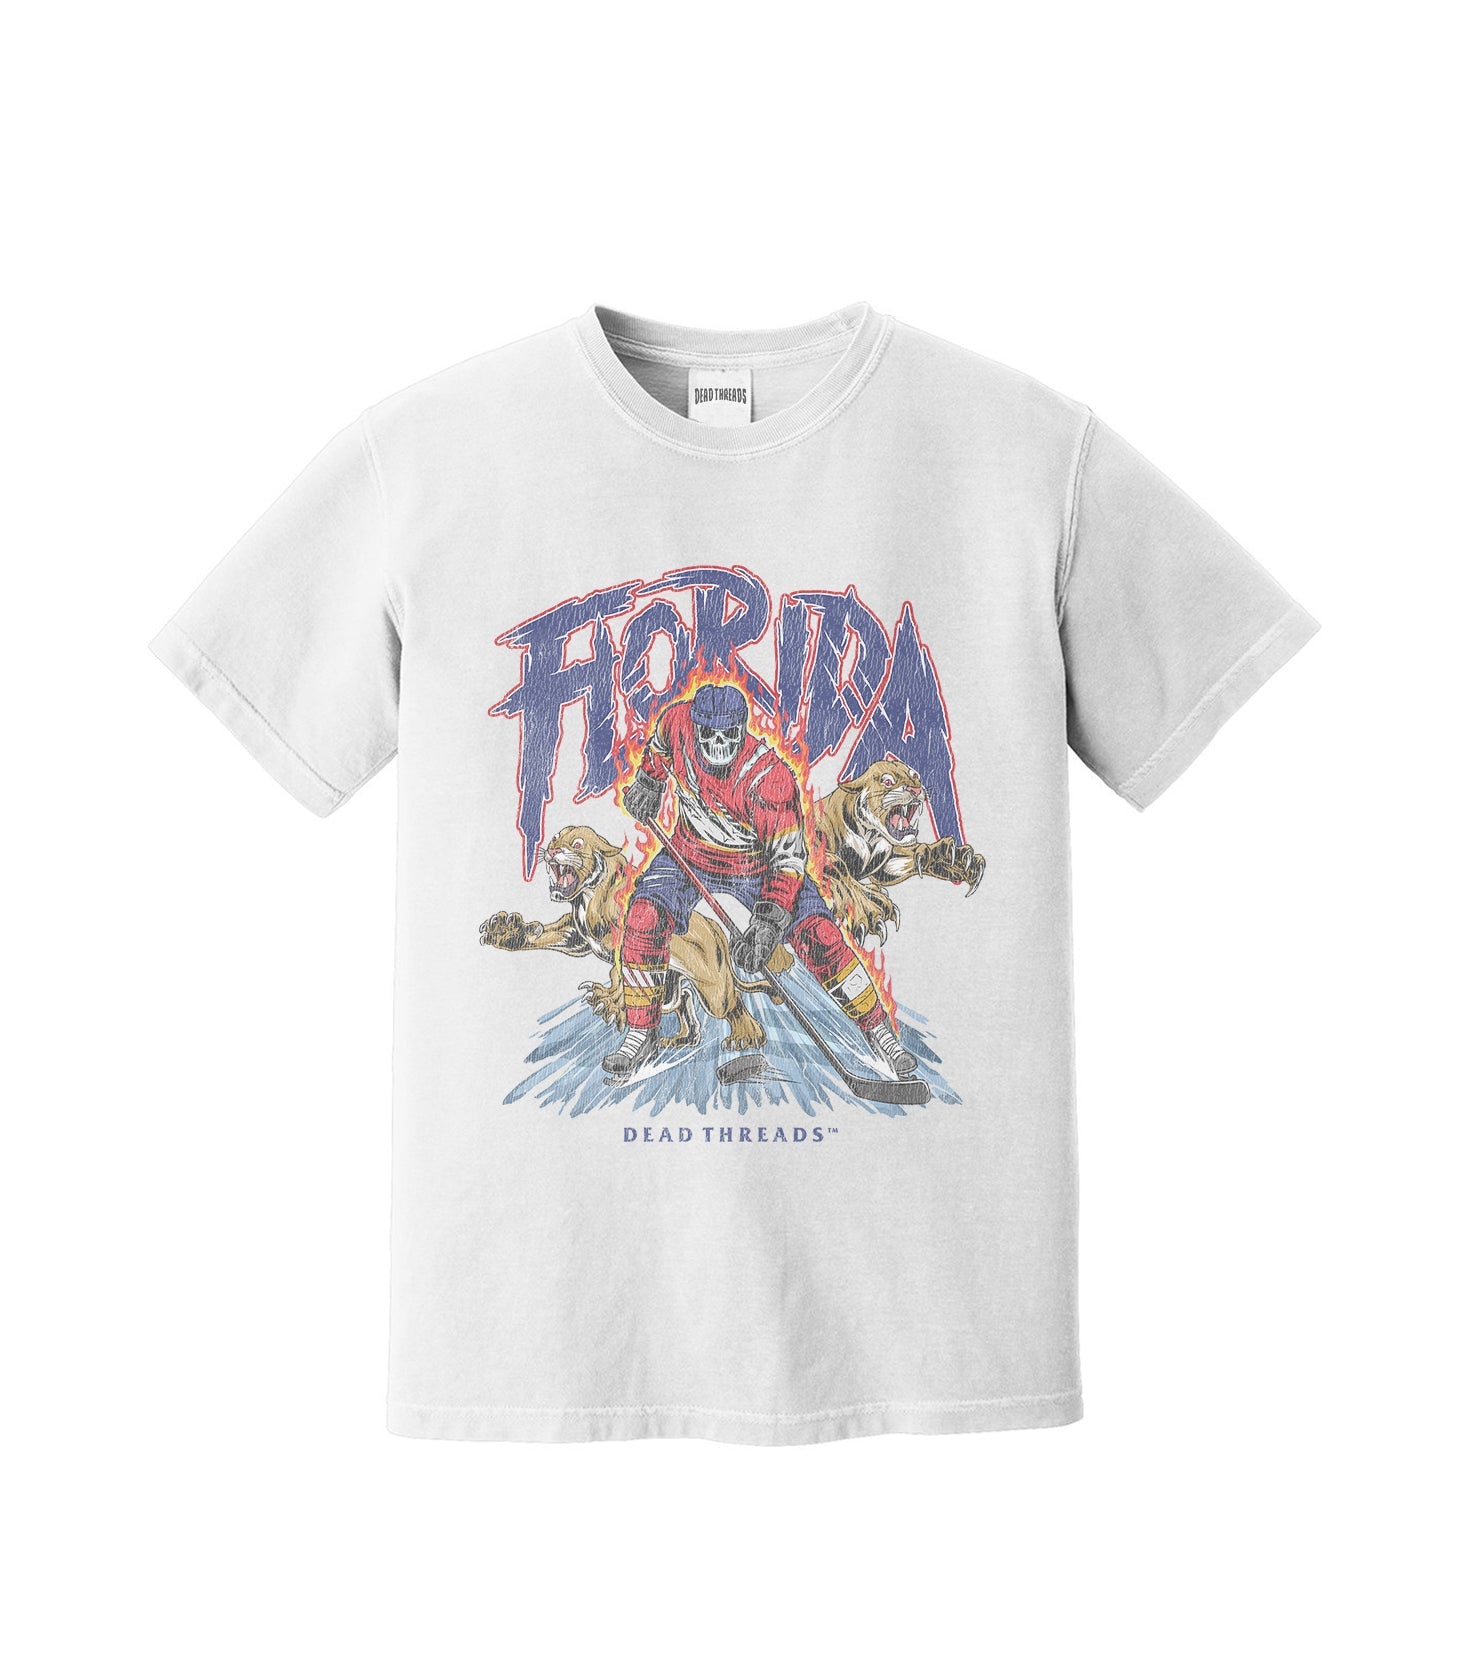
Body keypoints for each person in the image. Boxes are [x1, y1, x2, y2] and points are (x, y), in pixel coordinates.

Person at [603, 680, 917, 1080]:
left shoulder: (769, 778)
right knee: (643, 917)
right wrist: (649, 781)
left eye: (728, 735)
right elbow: (660, 747)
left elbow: (787, 863)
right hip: (690, 850)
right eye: (709, 734)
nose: (718, 744)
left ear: (742, 730)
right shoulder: (676, 722)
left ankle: (879, 1032)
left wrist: (768, 925)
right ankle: (640, 1032)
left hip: (757, 865)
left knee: (821, 935)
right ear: (695, 725)